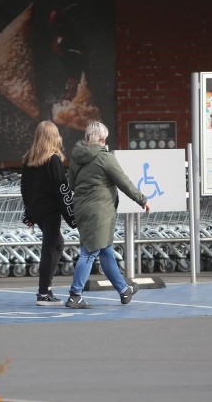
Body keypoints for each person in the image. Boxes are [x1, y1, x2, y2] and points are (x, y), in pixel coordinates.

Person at [65, 121, 151, 309]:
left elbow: (72, 184)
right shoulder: (105, 158)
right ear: (102, 139)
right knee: (89, 252)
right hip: (100, 212)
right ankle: (74, 295)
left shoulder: (77, 155)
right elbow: (123, 182)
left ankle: (123, 290)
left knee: (105, 251)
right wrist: (142, 200)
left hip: (82, 208)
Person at [21, 121, 76, 306]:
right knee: (50, 248)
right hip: (51, 211)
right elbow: (62, 189)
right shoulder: (53, 160)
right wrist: (72, 217)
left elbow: (24, 189)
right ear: (53, 137)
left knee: (57, 243)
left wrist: (29, 214)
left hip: (37, 211)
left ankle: (47, 289)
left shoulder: (29, 159)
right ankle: (43, 293)